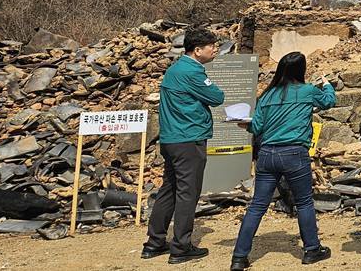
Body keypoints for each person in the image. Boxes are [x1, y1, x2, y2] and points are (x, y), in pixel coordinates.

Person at [230, 52, 336, 269]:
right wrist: (327, 85)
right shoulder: (307, 91)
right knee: (304, 202)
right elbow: (329, 102)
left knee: (257, 205)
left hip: (267, 154)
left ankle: (239, 257)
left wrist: (245, 125)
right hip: (294, 153)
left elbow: (257, 127)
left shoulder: (268, 95)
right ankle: (312, 250)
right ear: (301, 70)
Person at [143, 28, 225, 263]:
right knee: (188, 193)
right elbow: (217, 97)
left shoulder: (175, 69)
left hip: (171, 139)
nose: (215, 50)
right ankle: (181, 247)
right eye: (212, 46)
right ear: (197, 50)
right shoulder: (192, 71)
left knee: (168, 190)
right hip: (189, 138)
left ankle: (154, 243)